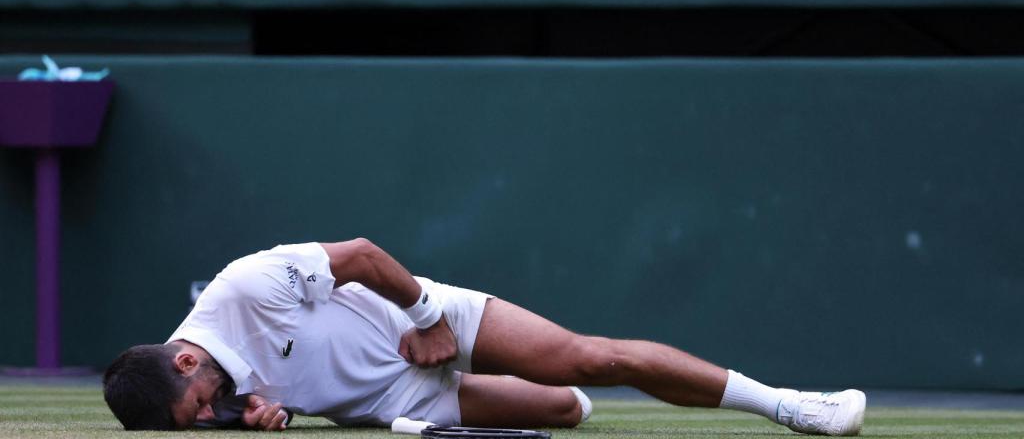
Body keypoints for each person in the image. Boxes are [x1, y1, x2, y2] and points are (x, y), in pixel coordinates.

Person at [103, 239, 866, 435]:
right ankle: (557, 398)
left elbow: (364, 256)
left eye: (198, 406)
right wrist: (263, 426)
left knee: (594, 359)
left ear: (187, 358)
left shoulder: (243, 286)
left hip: (419, 325)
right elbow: (273, 408)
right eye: (195, 427)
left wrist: (430, 318)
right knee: (566, 412)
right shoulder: (208, 410)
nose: (206, 420)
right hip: (395, 401)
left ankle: (788, 407)